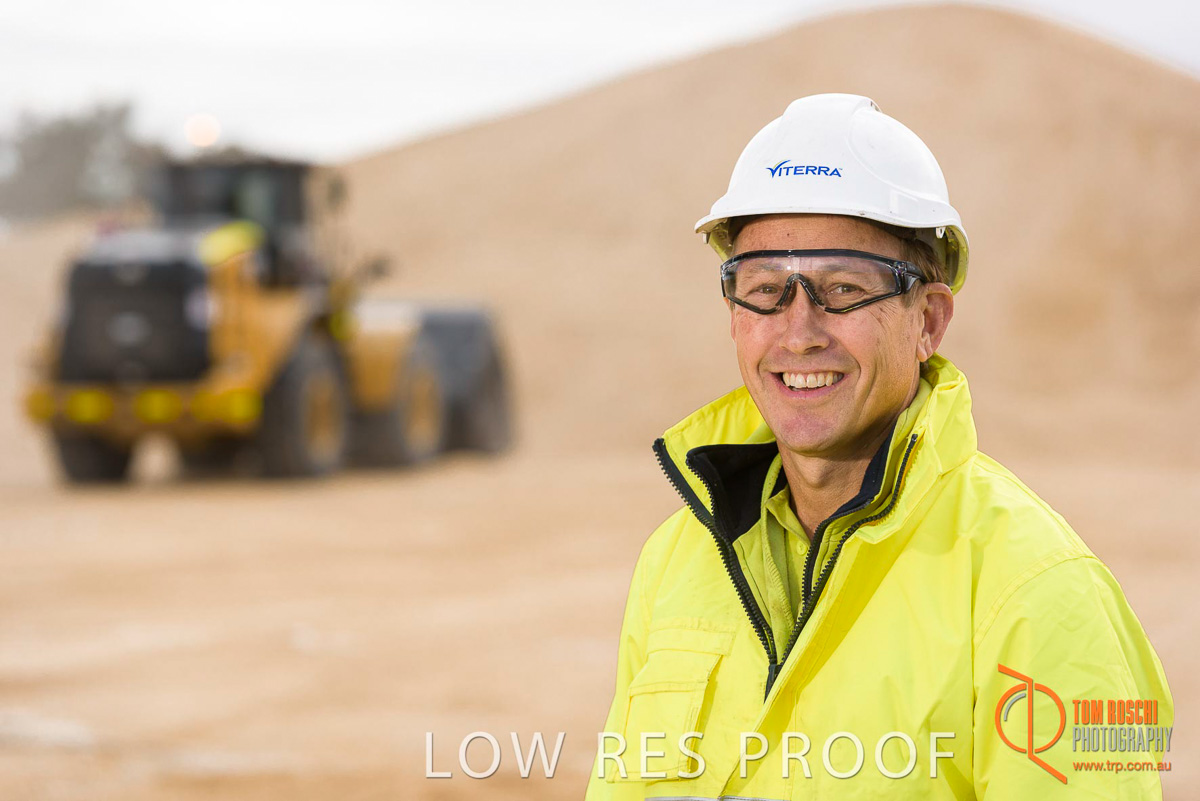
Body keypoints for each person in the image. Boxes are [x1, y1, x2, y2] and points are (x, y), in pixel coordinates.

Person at [585, 94, 1173, 800]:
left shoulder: (1038, 588)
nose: (799, 332)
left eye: (843, 288)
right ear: (734, 315)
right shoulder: (675, 562)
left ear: (929, 320)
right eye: (764, 289)